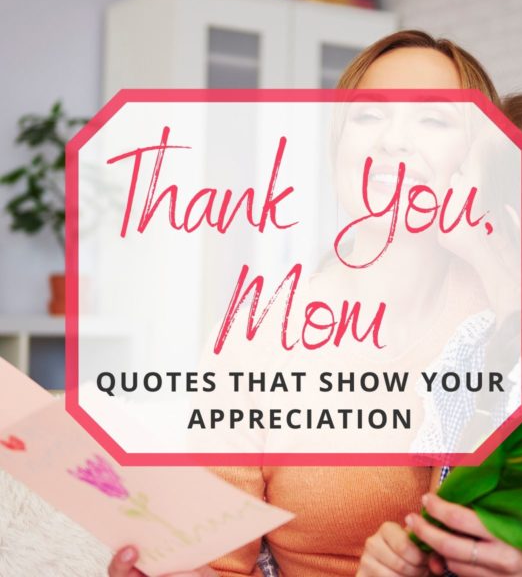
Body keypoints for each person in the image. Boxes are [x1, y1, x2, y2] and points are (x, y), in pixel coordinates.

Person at [108, 30, 501, 577]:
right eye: (368, 116)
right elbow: (217, 561)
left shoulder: (520, 315)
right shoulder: (259, 327)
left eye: (433, 119)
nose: (392, 141)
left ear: (481, 156)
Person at [357, 93, 522, 576]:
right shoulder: (471, 344)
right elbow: (443, 515)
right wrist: (405, 554)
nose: (443, 183)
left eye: (463, 174)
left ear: (504, 223)